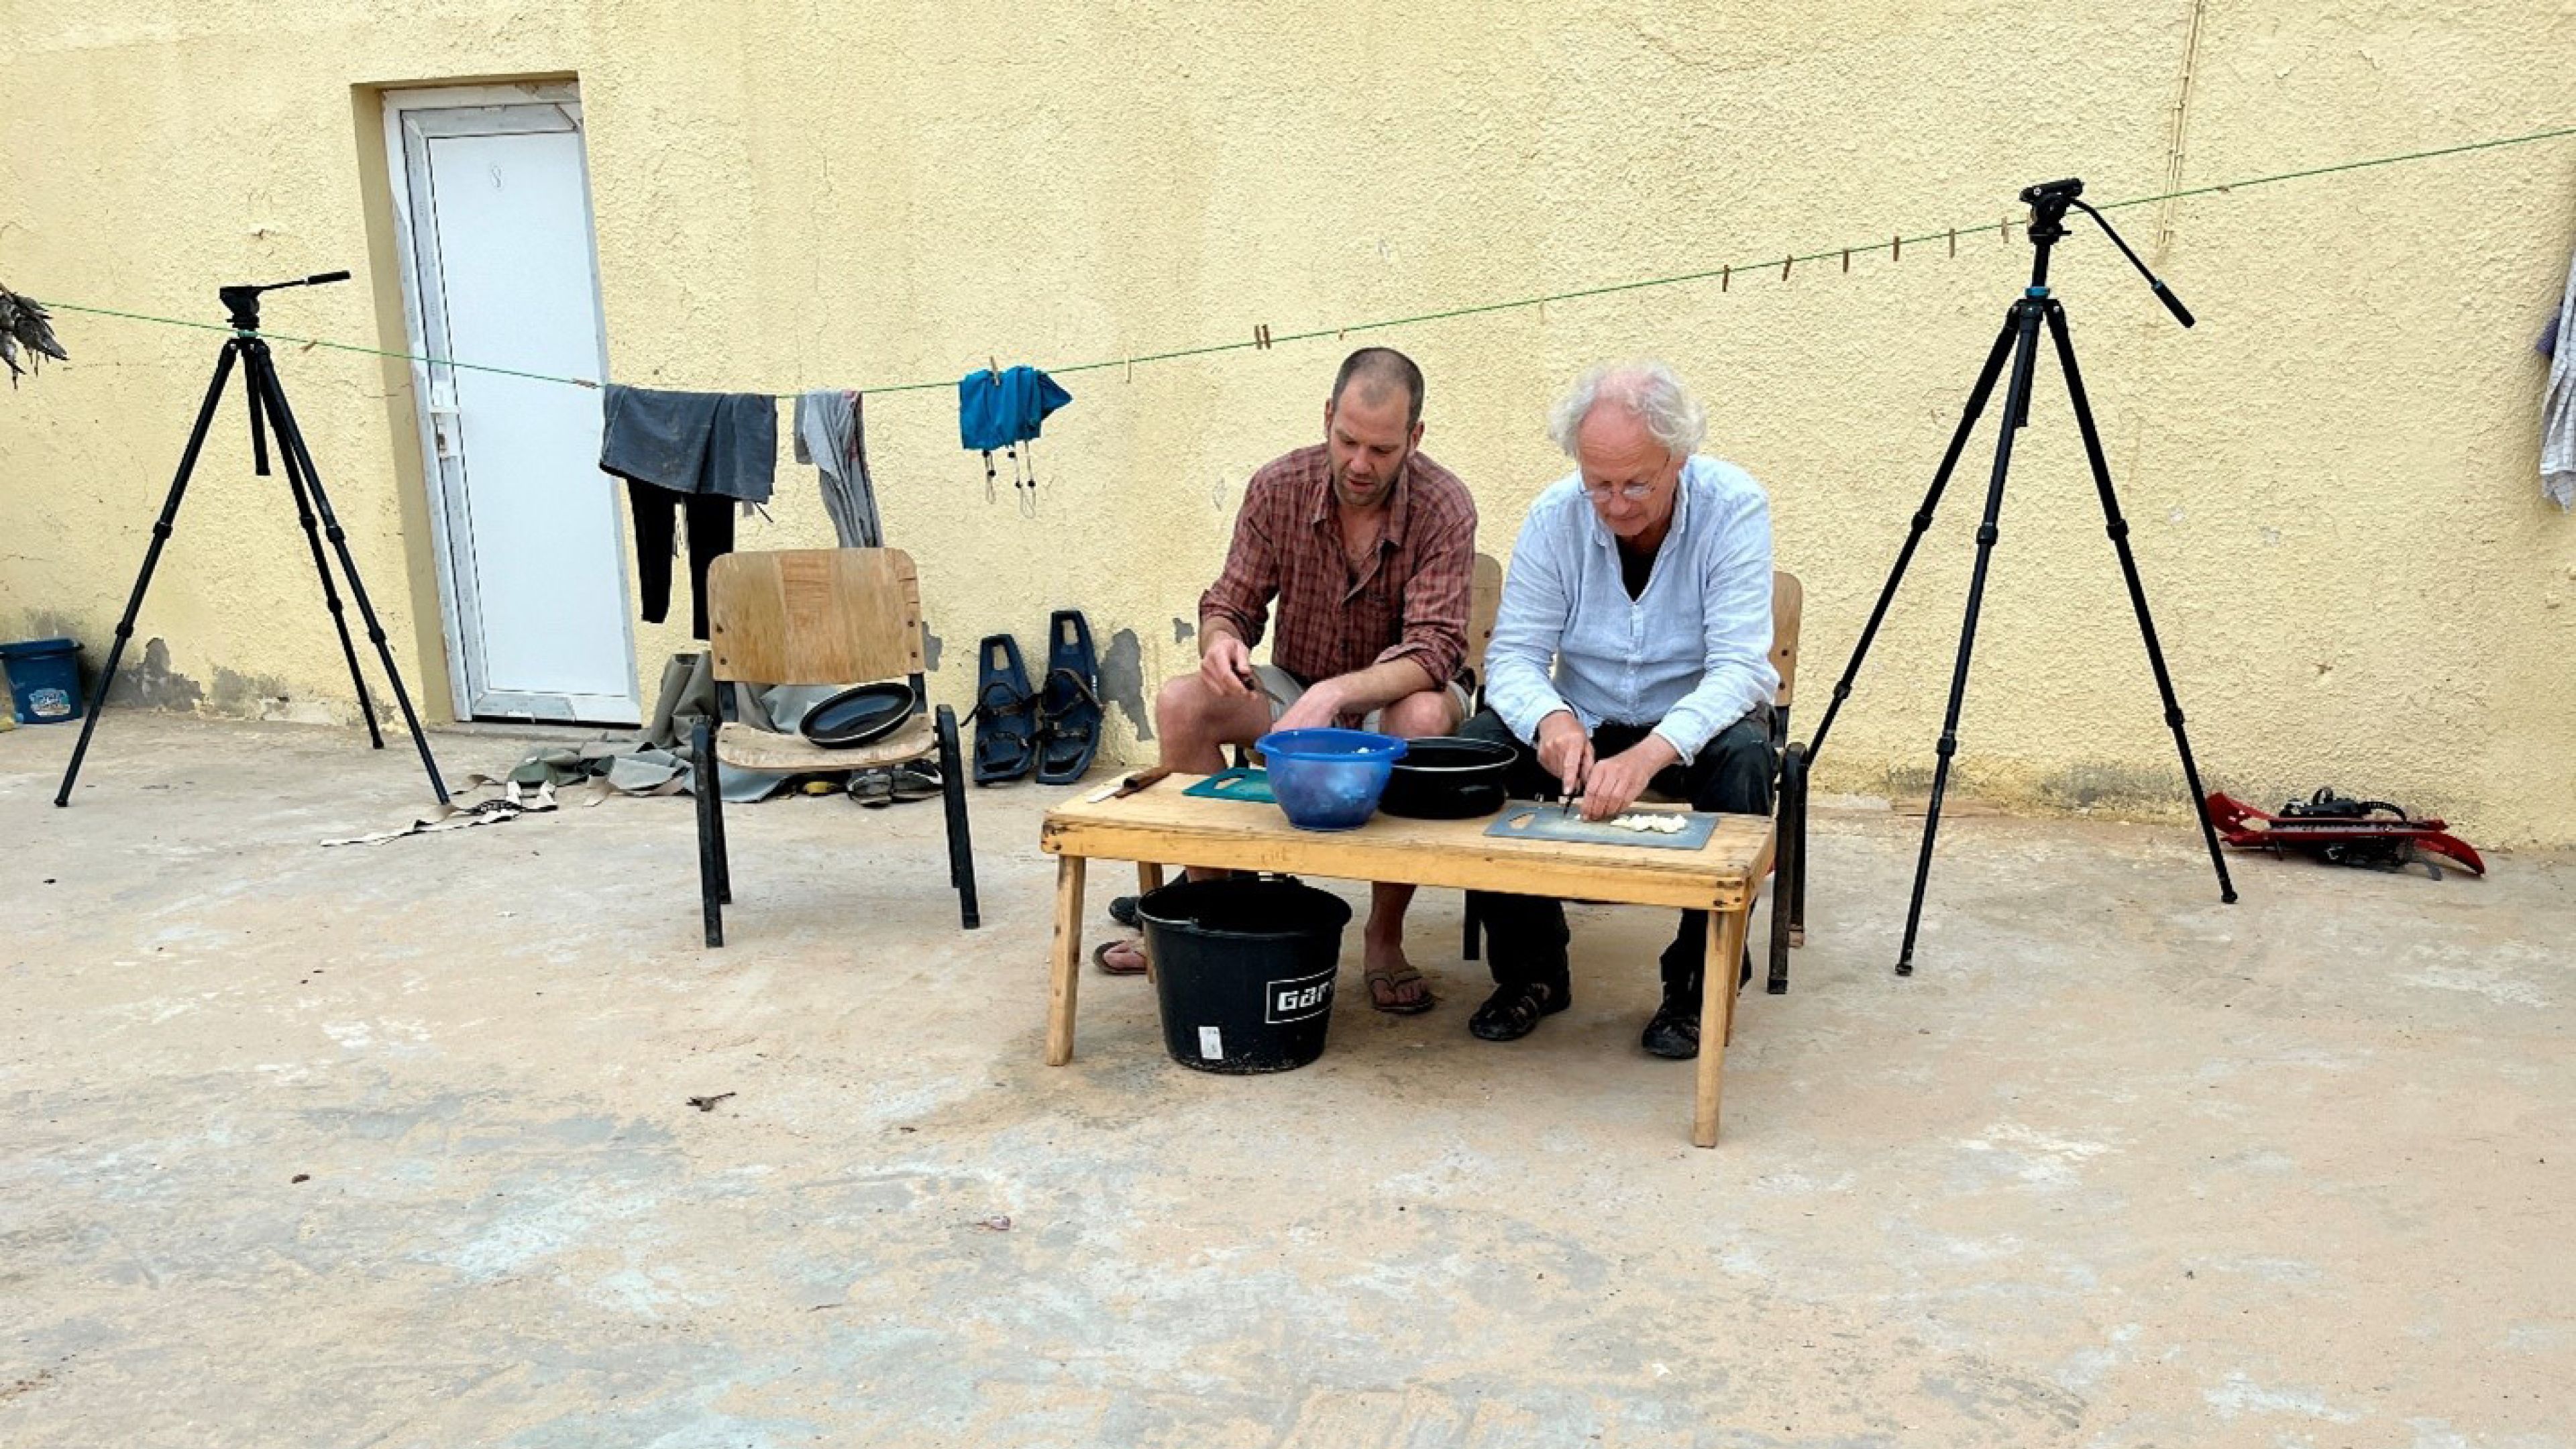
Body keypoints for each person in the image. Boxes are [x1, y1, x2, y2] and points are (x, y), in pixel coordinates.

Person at [1094, 347, 1479, 1012]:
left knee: (1419, 716)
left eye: (1383, 450)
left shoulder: (1445, 505)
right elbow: (1230, 602)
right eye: (1347, 440)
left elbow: (1436, 652)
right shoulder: (1278, 485)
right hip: (1296, 680)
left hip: (1400, 694)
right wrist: (1221, 644)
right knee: (1183, 702)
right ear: (1327, 416)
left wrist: (1337, 694)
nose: (1360, 464)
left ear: (1414, 438)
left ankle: (1384, 936)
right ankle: (1213, 907)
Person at [1459, 360, 1778, 1059]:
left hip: (1698, 720)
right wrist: (1551, 718)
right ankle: (1532, 971)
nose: (1617, 503)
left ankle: (1698, 985)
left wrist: (1654, 751)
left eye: (1638, 482)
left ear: (1679, 456)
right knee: (1479, 748)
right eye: (1598, 483)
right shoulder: (1554, 515)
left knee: (1750, 761)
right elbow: (1513, 655)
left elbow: (1739, 671)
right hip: (1587, 713)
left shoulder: (1734, 507)